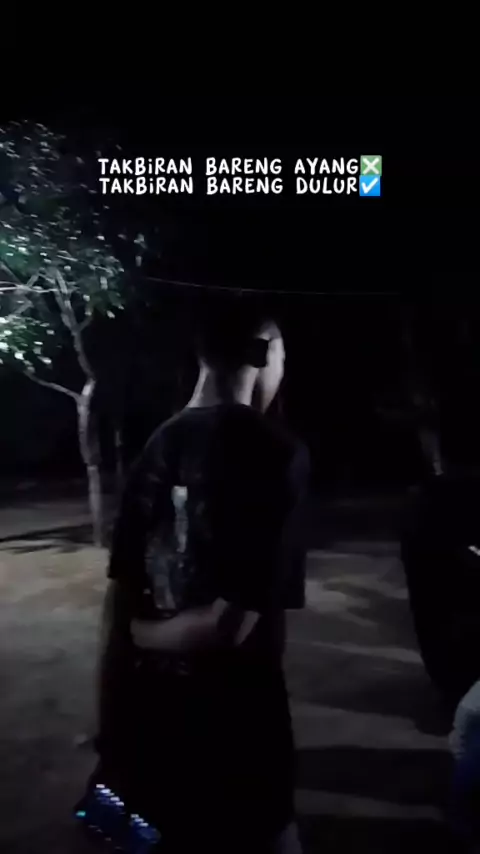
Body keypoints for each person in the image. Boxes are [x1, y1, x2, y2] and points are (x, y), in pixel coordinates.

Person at [93, 300, 310, 853]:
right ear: (262, 352)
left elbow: (119, 597)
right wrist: (143, 633)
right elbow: (228, 626)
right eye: (282, 356)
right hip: (239, 724)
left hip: (151, 718)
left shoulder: (154, 446)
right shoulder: (274, 451)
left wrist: (111, 723)